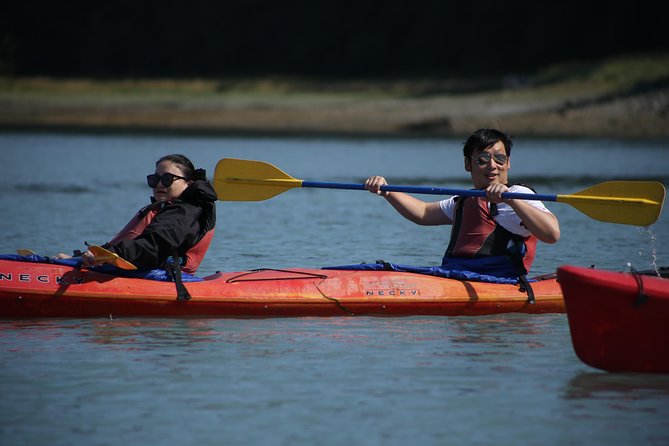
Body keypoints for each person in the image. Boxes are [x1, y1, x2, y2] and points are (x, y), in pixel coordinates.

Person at [364, 128, 559, 280]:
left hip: (497, 281)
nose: (492, 165)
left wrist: (512, 200)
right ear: (468, 164)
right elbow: (422, 213)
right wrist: (387, 191)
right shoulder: (467, 199)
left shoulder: (519, 194)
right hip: (454, 276)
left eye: (500, 159)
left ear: (508, 163)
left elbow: (551, 234)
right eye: (483, 159)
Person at [57, 154, 217, 274]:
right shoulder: (171, 208)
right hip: (136, 267)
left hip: (161, 277)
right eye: (155, 179)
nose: (159, 184)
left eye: (168, 179)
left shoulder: (184, 212)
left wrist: (114, 253)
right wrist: (80, 258)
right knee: (54, 261)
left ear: (188, 184)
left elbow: (153, 247)